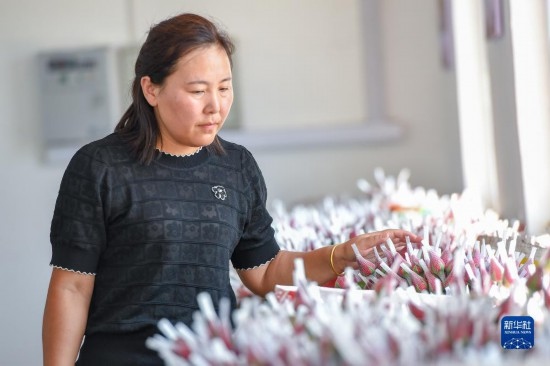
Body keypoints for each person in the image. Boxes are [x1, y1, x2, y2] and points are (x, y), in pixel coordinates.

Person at [42, 13, 422, 366]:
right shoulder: (100, 167)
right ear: (151, 89)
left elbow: (265, 271)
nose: (215, 106)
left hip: (213, 355)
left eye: (224, 88)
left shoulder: (236, 167)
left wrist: (341, 255)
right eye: (197, 91)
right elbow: (72, 287)